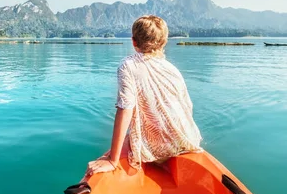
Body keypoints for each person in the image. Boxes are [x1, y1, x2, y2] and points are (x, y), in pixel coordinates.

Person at [86, 15, 202, 175]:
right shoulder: (172, 70)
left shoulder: (128, 66)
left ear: (134, 42)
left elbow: (125, 109)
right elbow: (187, 106)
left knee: (128, 139)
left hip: (161, 149)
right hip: (188, 140)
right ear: (164, 42)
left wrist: (113, 160)